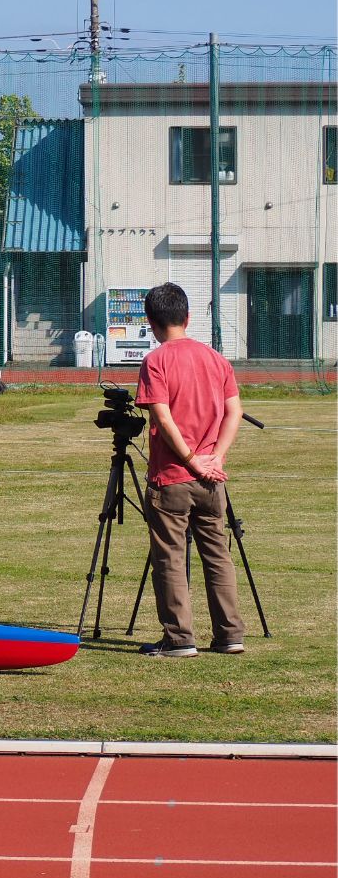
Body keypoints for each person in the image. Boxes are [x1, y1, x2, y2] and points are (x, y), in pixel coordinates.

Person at [130, 281, 248, 658]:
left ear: (151, 322)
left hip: (172, 477)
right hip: (212, 480)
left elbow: (162, 418)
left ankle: (179, 638)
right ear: (188, 316)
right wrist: (215, 460)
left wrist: (190, 460)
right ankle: (230, 634)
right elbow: (235, 412)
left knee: (170, 557)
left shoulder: (156, 361)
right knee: (217, 555)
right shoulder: (216, 359)